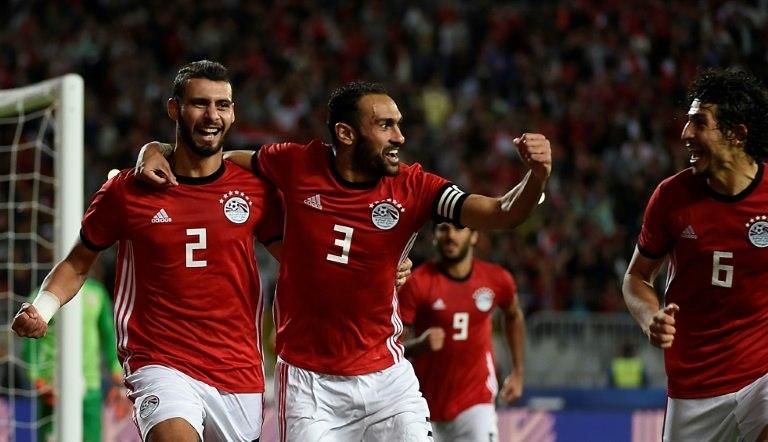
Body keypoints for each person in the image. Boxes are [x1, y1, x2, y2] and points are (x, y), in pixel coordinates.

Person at [138, 80, 551, 440]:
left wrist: (537, 177)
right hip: (308, 385)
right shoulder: (298, 164)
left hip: (386, 380)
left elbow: (502, 213)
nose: (399, 137)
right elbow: (222, 161)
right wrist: (156, 149)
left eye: (399, 125)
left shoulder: (416, 187)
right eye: (385, 125)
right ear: (346, 134)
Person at [13, 60, 285, 442]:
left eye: (222, 105)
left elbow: (297, 258)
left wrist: (378, 270)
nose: (212, 115)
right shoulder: (126, 191)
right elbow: (78, 263)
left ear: (233, 112)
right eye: (199, 104)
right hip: (159, 362)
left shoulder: (255, 191)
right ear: (174, 109)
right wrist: (42, 308)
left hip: (237, 368)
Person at [622, 67, 768, 442]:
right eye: (687, 122)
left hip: (761, 375)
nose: (685, 134)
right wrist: (650, 316)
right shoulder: (671, 198)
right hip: (695, 387)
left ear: (737, 134)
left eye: (699, 123)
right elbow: (636, 278)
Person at [399, 223, 525, 442]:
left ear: (474, 236)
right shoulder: (417, 283)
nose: (451, 236)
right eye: (443, 229)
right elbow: (391, 348)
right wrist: (418, 345)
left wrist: (518, 372)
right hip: (424, 404)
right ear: (434, 236)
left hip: (476, 402)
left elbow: (513, 315)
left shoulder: (496, 280)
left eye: (459, 229)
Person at [23, 276, 127, 442]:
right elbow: (30, 346)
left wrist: (117, 371)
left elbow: (109, 335)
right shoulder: (42, 296)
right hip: (52, 386)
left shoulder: (97, 292)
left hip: (90, 385)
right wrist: (37, 378)